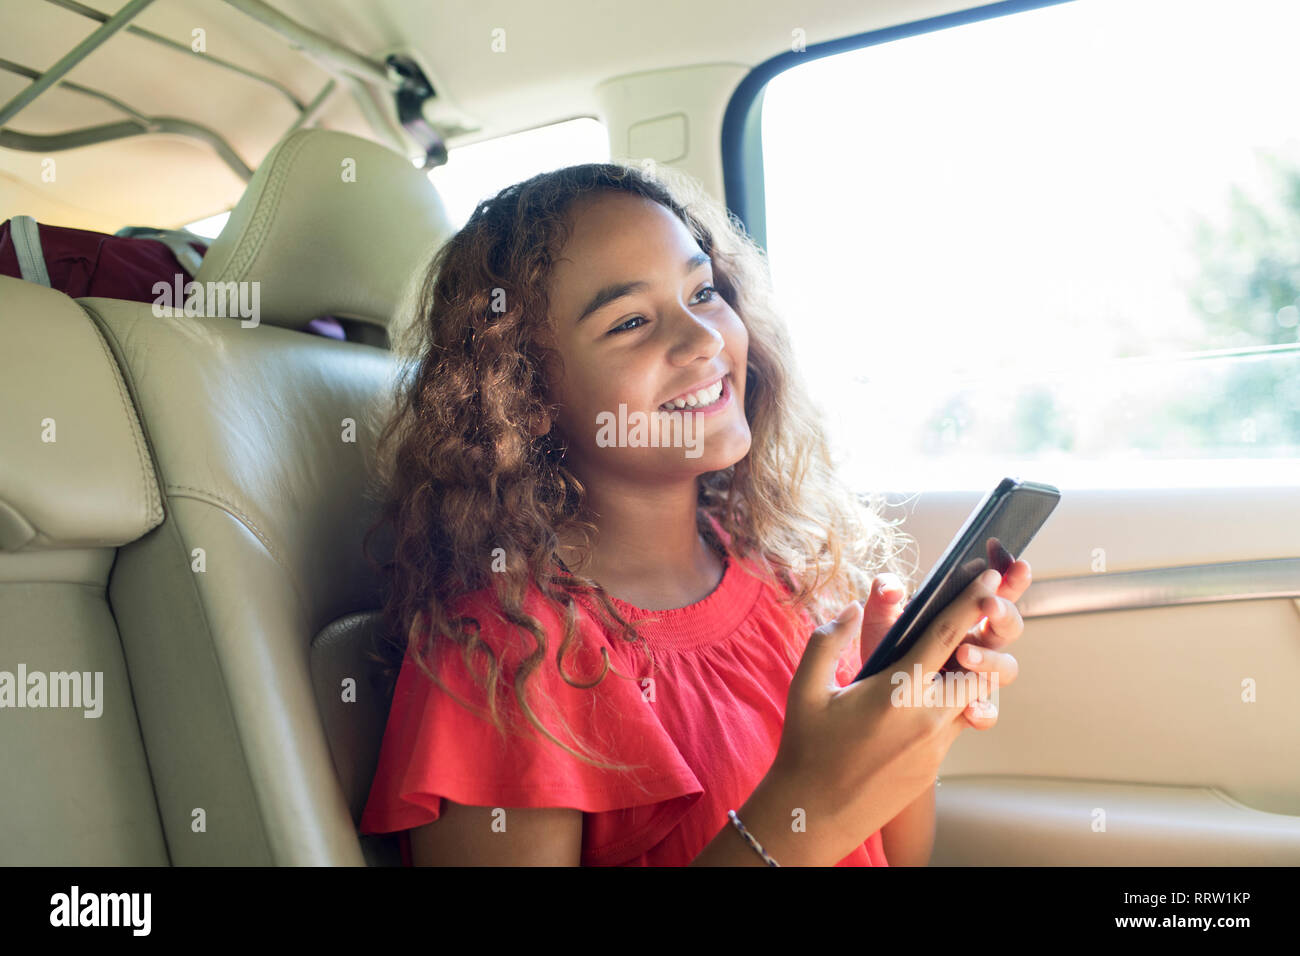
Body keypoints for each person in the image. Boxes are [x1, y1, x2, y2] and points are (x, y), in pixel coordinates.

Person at [358, 162, 1031, 866]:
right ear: (524, 396)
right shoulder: (505, 659)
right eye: (631, 322)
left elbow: (894, 856)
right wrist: (812, 803)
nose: (704, 338)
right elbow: (821, 819)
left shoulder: (779, 575)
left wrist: (902, 727)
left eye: (703, 291)